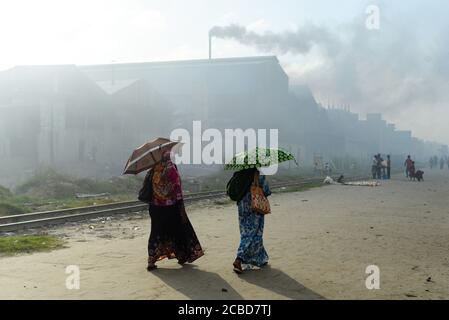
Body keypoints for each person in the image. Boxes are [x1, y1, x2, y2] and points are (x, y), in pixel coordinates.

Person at [145, 151, 204, 271]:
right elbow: (176, 187)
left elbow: (148, 189)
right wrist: (180, 204)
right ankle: (181, 255)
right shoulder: (171, 168)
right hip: (170, 207)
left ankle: (151, 259)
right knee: (176, 231)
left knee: (156, 232)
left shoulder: (153, 170)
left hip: (155, 208)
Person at [230, 168, 271, 274]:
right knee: (253, 233)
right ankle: (239, 259)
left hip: (242, 208)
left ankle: (261, 258)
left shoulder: (238, 175)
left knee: (245, 233)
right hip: (255, 207)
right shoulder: (257, 174)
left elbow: (233, 192)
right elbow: (266, 191)